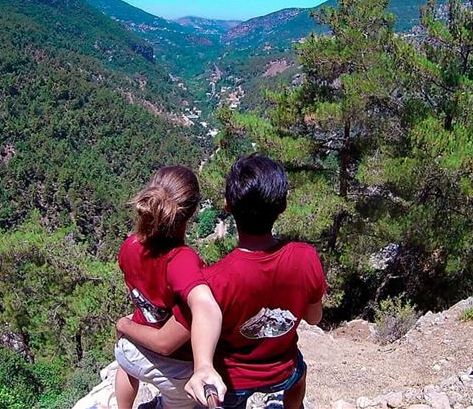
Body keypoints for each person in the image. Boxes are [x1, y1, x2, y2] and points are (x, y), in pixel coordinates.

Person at [117, 154, 327, 409]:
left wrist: (204, 364)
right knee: (299, 372)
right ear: (282, 206)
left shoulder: (215, 279)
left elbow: (189, 328)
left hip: (234, 379)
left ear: (227, 206)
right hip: (283, 369)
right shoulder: (306, 257)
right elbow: (314, 318)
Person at [113, 165, 225, 409]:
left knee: (124, 365)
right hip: (173, 370)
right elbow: (200, 309)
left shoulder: (129, 245)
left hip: (131, 350)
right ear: (192, 212)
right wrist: (205, 365)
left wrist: (124, 324)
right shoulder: (182, 261)